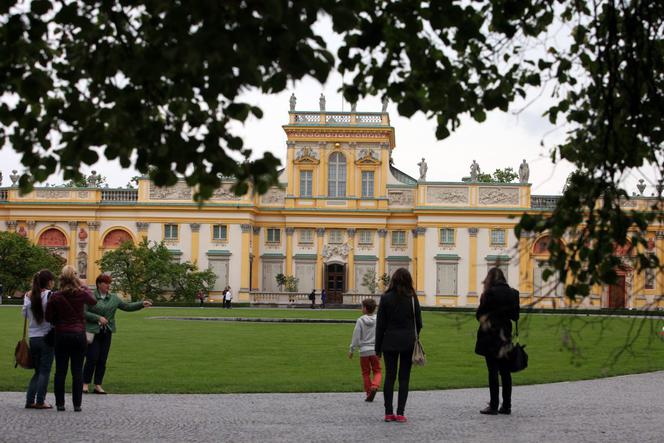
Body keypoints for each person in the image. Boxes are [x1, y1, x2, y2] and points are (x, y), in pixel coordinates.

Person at [83, 274, 152, 395]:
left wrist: (141, 304)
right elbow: (83, 312)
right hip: (93, 332)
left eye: (109, 283)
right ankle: (85, 383)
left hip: (107, 332)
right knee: (92, 358)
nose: (108, 286)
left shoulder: (113, 298)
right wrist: (98, 317)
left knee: (102, 359)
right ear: (99, 284)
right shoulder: (90, 296)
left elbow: (127, 306)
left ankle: (98, 385)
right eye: (106, 283)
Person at [45, 265, 97, 412]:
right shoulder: (82, 294)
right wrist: (83, 285)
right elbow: (93, 301)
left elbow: (48, 317)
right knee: (77, 371)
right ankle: (77, 404)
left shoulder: (56, 296)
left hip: (61, 335)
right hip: (78, 335)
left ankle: (60, 404)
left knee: (60, 371)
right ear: (75, 278)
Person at [375, 268, 422, 423]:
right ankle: (400, 412)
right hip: (408, 342)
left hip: (389, 341)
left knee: (389, 376)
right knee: (404, 378)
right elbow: (419, 323)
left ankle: (388, 412)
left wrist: (378, 348)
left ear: (393, 280)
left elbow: (380, 325)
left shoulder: (386, 298)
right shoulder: (412, 298)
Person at [474, 267, 520, 415]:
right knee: (505, 372)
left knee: (492, 371)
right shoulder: (514, 293)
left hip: (491, 336)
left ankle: (494, 405)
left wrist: (482, 302)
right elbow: (515, 316)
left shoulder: (489, 294)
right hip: (505, 335)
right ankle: (507, 405)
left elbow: (480, 315)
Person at [22, 269, 56, 409]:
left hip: (33, 337)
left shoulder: (28, 295)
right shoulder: (49, 295)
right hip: (47, 336)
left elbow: (24, 314)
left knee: (38, 371)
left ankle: (30, 400)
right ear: (48, 282)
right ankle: (40, 401)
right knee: (45, 371)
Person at [349, 298, 382, 402]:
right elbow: (382, 334)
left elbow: (356, 336)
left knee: (365, 373)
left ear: (365, 308)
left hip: (364, 351)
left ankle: (368, 393)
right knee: (377, 371)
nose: (361, 308)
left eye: (362, 306)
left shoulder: (360, 320)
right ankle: (375, 385)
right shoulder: (379, 320)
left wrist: (352, 349)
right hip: (375, 350)